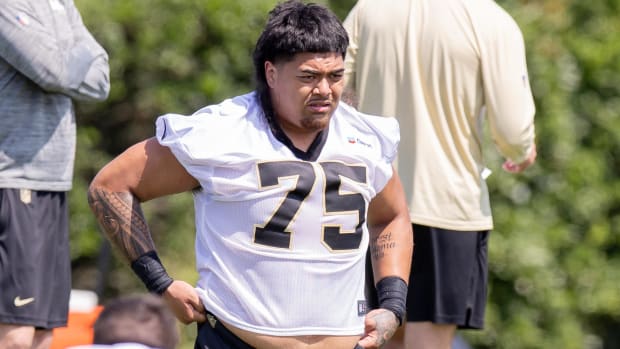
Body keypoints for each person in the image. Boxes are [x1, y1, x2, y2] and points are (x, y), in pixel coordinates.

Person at [86, 1, 413, 349]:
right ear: (271, 73)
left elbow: (391, 216)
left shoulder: (366, 136)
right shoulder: (222, 131)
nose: (324, 90)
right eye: (308, 76)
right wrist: (160, 283)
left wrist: (392, 304)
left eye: (335, 76)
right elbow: (111, 187)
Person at [343, 0, 537, 348]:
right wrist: (522, 150)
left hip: (373, 206)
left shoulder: (369, 10)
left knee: (378, 335)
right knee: (428, 339)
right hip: (448, 208)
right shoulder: (492, 21)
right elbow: (512, 130)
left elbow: (334, 88)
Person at [0, 0, 110, 348]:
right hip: (14, 180)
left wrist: (63, 60)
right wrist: (72, 59)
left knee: (44, 332)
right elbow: (53, 72)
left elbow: (101, 79)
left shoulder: (61, 3)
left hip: (51, 181)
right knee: (14, 333)